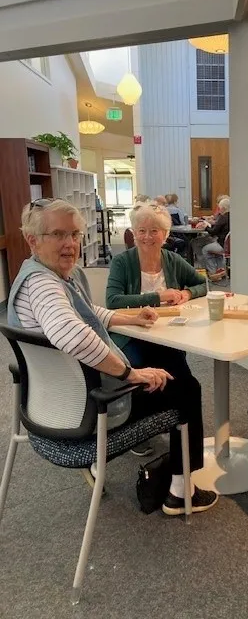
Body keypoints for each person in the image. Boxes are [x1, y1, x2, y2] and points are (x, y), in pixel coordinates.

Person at [8, 199, 217, 516]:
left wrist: (129, 319)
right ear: (32, 240)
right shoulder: (43, 286)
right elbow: (73, 335)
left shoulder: (44, 274)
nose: (70, 244)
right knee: (185, 388)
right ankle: (181, 491)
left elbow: (86, 313)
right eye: (58, 235)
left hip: (50, 402)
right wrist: (131, 375)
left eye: (75, 234)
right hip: (87, 409)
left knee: (169, 367)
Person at [107, 203, 206, 378]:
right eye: (141, 230)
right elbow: (113, 301)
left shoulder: (173, 260)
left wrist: (187, 293)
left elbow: (203, 284)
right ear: (134, 233)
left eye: (154, 231)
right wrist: (157, 296)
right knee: (142, 372)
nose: (147, 237)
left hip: (166, 332)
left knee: (185, 383)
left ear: (165, 234)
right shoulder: (121, 262)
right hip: (131, 334)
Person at [193, 197, 230, 281]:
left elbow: (213, 232)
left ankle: (212, 273)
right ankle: (220, 270)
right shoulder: (231, 217)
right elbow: (217, 228)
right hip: (228, 245)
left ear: (223, 208)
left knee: (205, 249)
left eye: (220, 208)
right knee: (213, 249)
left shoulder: (223, 217)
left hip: (222, 245)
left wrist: (206, 226)